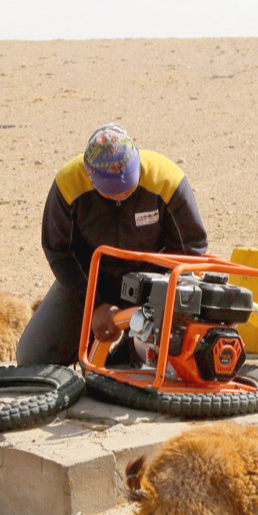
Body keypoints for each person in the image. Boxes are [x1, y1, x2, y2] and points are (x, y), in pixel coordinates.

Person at [16, 123, 209, 365]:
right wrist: (94, 305)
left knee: (167, 360)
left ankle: (131, 350)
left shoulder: (166, 180)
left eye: (128, 187)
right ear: (89, 175)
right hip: (90, 280)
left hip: (154, 283)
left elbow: (191, 249)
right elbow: (59, 252)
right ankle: (87, 349)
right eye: (110, 192)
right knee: (33, 358)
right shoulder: (69, 185)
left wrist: (150, 310)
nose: (120, 195)